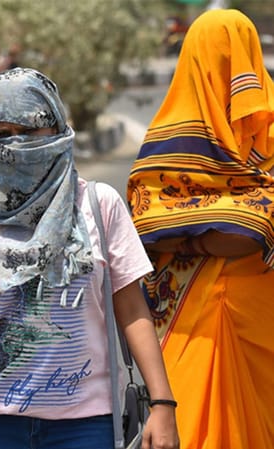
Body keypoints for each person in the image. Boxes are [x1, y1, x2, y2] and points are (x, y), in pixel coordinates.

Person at [0, 67, 180, 449]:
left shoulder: (99, 206)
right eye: (2, 134)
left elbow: (132, 309)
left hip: (86, 426)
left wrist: (163, 403)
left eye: (30, 130)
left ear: (56, 129)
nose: (16, 144)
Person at [127, 9, 274, 449]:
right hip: (190, 327)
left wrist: (187, 237)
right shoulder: (167, 141)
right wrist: (223, 233)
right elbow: (143, 223)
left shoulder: (164, 149)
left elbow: (248, 232)